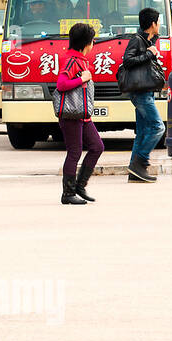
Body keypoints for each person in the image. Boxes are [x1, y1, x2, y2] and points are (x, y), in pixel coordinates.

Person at [55, 21, 103, 204]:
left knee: (97, 146)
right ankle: (67, 193)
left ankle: (79, 186)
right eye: (92, 41)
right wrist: (82, 78)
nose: (93, 44)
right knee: (74, 152)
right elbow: (61, 85)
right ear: (86, 43)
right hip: (71, 114)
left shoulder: (80, 60)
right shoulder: (71, 61)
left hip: (83, 115)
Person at [120, 7, 165, 183]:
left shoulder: (147, 40)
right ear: (152, 24)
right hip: (140, 92)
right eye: (158, 21)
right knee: (157, 127)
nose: (159, 24)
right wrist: (149, 54)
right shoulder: (137, 40)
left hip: (145, 91)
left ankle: (135, 171)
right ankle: (141, 163)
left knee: (142, 131)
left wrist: (151, 47)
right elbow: (128, 61)